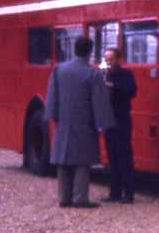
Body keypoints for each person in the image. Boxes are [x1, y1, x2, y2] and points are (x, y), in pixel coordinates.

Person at [46, 35, 113, 208]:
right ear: (89, 52)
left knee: (63, 159)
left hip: (63, 120)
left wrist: (52, 115)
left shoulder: (59, 69)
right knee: (82, 161)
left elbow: (52, 96)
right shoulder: (93, 73)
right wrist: (103, 124)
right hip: (85, 122)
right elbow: (99, 101)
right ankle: (80, 198)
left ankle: (64, 197)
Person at [101, 46, 137, 203]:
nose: (108, 62)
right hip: (109, 118)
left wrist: (112, 86)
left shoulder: (126, 74)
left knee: (124, 155)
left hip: (122, 119)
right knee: (111, 156)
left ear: (118, 60)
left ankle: (128, 193)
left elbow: (131, 91)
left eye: (111, 59)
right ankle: (114, 192)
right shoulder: (104, 74)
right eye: (106, 59)